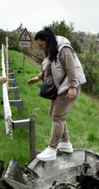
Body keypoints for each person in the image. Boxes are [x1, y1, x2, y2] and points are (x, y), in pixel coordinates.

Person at [27, 28, 87, 161]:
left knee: (57, 117)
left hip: (69, 87)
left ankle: (52, 149)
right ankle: (65, 142)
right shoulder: (51, 50)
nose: (41, 48)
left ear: (47, 40)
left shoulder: (64, 49)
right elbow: (49, 68)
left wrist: (72, 87)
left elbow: (72, 69)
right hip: (61, 88)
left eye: (41, 45)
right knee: (53, 114)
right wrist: (38, 78)